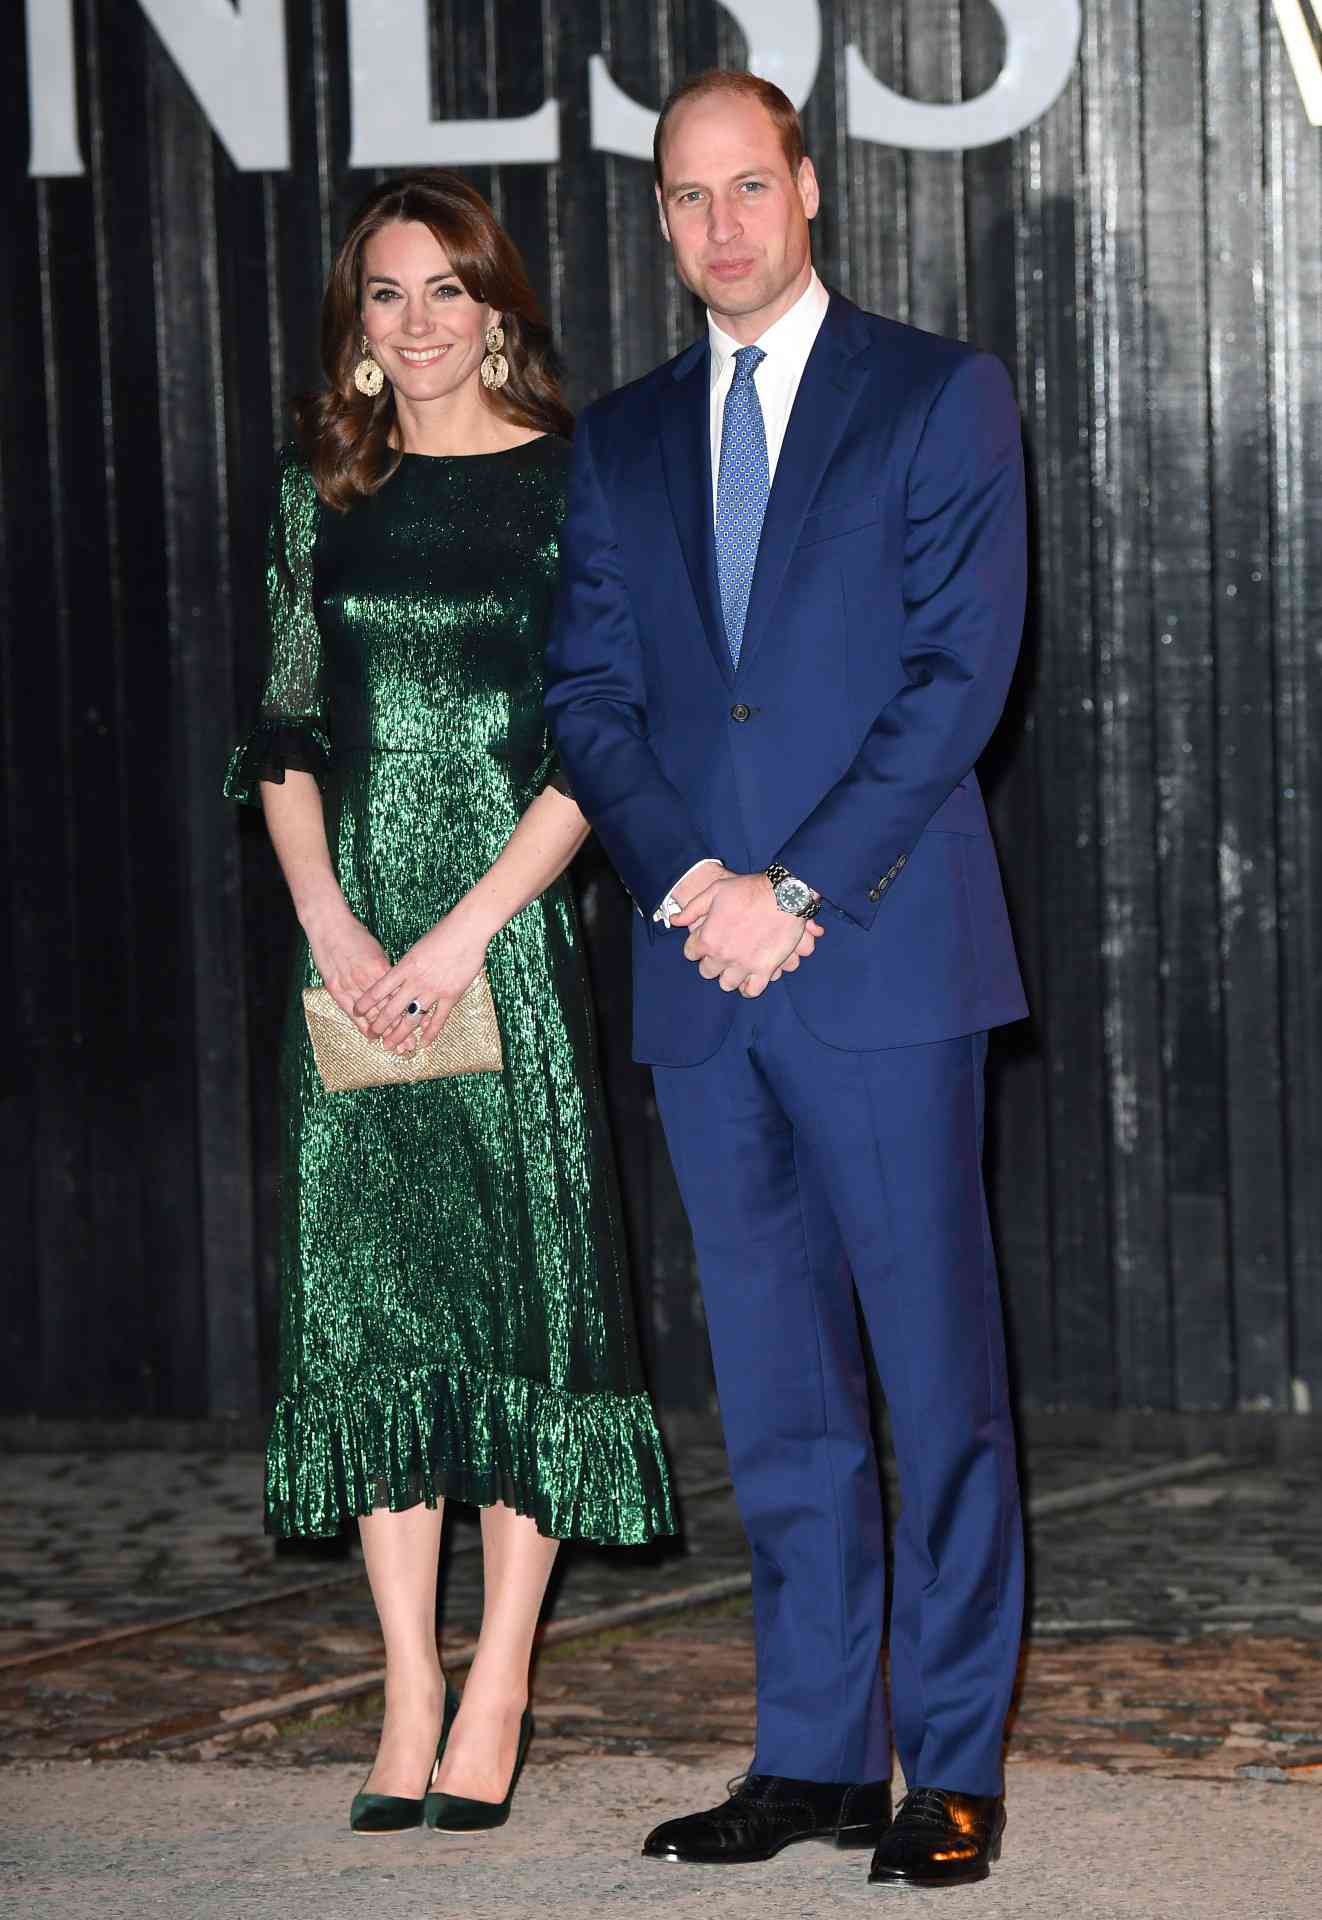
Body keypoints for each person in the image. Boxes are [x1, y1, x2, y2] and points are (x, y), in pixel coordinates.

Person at [546, 69, 1027, 1890]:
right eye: (686, 199)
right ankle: (815, 1754)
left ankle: (950, 1764)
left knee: (935, 1383)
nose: (719, 226)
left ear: (806, 189)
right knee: (778, 1394)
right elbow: (588, 698)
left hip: (878, 958)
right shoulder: (626, 436)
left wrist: (796, 886)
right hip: (698, 974)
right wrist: (690, 884)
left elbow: (955, 680)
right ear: (661, 217)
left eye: (748, 188)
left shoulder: (936, 394)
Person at [225, 169, 672, 1838]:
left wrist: (470, 930)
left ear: (500, 310)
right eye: (384, 296)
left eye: (444, 292)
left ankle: (500, 1685)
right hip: (348, 963)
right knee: (378, 1309)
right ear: (358, 326)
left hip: (504, 955)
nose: (414, 325)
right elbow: (278, 729)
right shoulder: (318, 490)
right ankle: (408, 1681)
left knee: (524, 1305)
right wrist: (334, 924)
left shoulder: (577, 485)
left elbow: (593, 743)